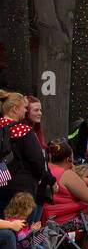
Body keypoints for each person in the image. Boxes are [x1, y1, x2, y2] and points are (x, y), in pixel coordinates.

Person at [0, 90, 51, 218]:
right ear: (15, 109)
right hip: (22, 189)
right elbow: (37, 161)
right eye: (24, 108)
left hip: (1, 186)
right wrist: (40, 177)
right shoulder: (24, 131)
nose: (25, 111)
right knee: (22, 231)